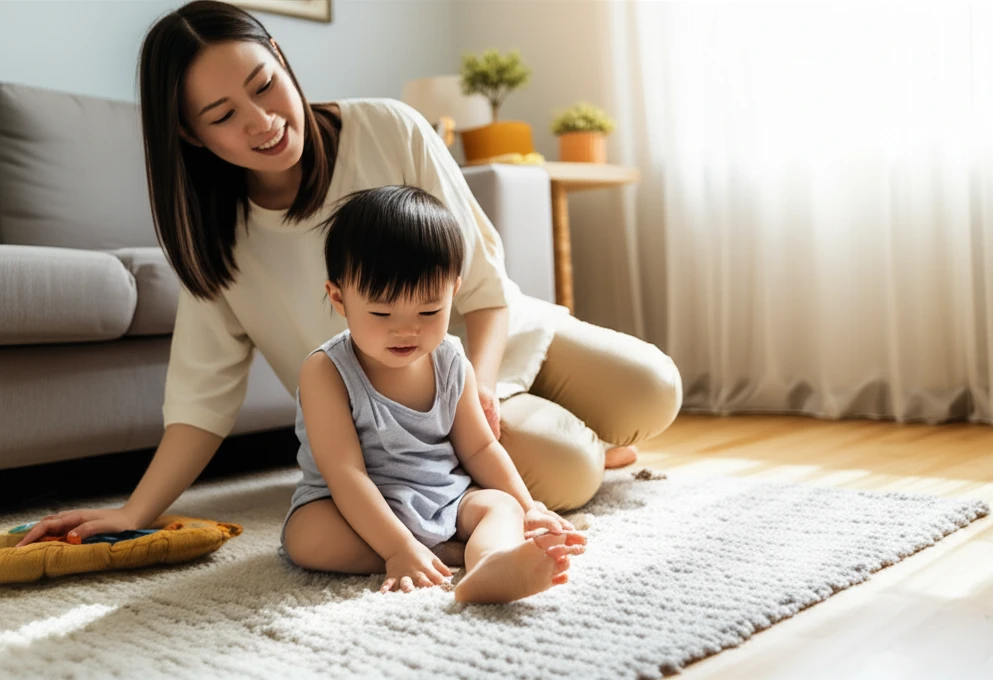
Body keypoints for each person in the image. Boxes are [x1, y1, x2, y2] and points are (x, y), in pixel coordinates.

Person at [15, 0, 682, 552]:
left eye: (263, 84)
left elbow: (482, 287)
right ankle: (588, 448)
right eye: (222, 116)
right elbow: (200, 403)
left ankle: (582, 433)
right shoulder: (216, 242)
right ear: (191, 135)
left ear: (280, 54)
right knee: (564, 466)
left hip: (480, 345)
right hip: (401, 410)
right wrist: (134, 509)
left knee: (656, 387)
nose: (263, 121)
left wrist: (476, 385)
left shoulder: (389, 126)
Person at [284, 185, 586, 602]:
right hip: (353, 507)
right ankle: (439, 553)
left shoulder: (451, 361)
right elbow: (345, 475)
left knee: (501, 507)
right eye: (382, 312)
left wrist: (528, 504)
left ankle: (489, 565)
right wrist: (396, 548)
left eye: (428, 311)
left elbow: (479, 448)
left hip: (445, 496)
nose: (406, 330)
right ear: (339, 297)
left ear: (453, 290)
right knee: (306, 537)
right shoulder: (326, 370)